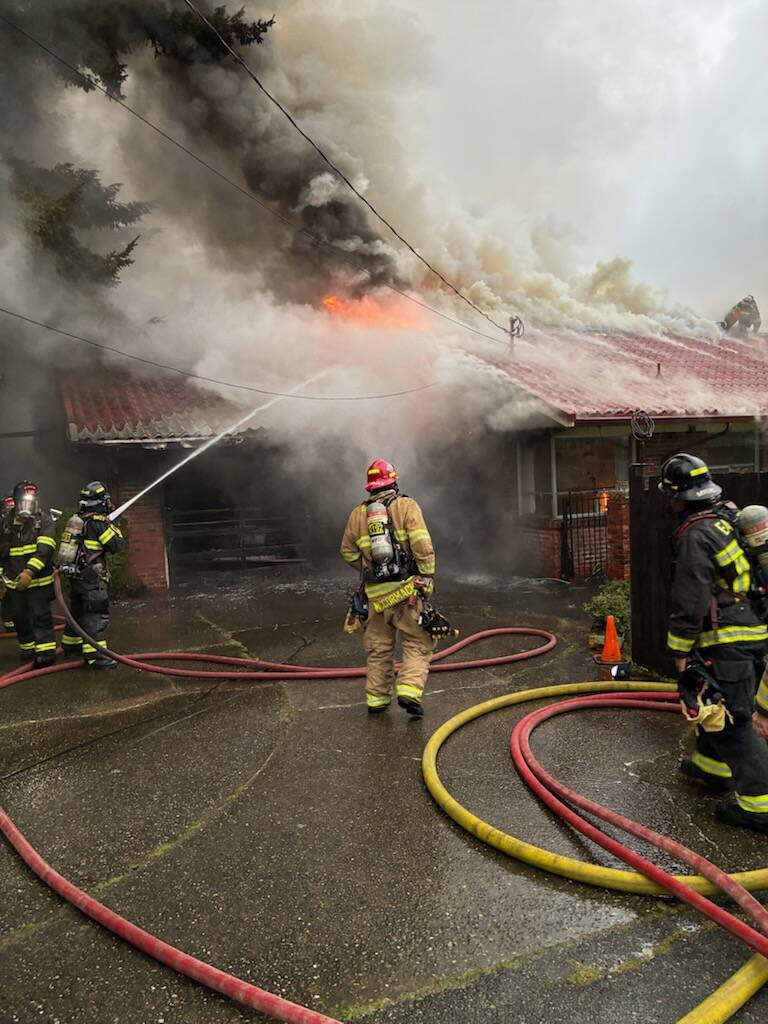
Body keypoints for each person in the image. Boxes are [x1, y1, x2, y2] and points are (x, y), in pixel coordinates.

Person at [659, 453, 768, 834]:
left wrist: (679, 654)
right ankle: (711, 768)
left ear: (679, 497)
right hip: (749, 635)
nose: (668, 503)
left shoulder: (695, 534)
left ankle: (760, 803)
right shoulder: (725, 518)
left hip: (728, 642)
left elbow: (690, 600)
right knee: (714, 706)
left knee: (735, 722)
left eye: (669, 497)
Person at [341, 459, 436, 716]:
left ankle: (377, 700)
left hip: (374, 596)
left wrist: (364, 566)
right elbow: (422, 544)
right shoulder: (406, 506)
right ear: (394, 481)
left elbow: (347, 552)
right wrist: (427, 576)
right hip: (406, 593)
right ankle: (408, 690)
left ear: (369, 487)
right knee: (419, 640)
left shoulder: (357, 514)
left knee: (378, 648)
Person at [60, 481, 124, 669]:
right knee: (96, 616)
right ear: (101, 501)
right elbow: (116, 545)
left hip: (77, 577)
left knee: (78, 613)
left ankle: (71, 647)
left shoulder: (77, 520)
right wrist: (112, 524)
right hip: (92, 578)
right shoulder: (98, 523)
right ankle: (96, 656)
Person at [0, 481, 57, 666]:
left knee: (40, 615)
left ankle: (46, 653)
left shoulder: (44, 521)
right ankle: (28, 649)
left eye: (31, 502)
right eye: (23, 502)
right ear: (15, 503)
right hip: (14, 583)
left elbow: (45, 549)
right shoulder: (5, 523)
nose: (27, 507)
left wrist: (29, 572)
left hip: (38, 581)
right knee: (18, 617)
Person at [0, 495, 15, 632]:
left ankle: (11, 625)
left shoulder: (22, 525)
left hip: (14, 568)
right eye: (6, 511)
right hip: (3, 566)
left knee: (11, 597)